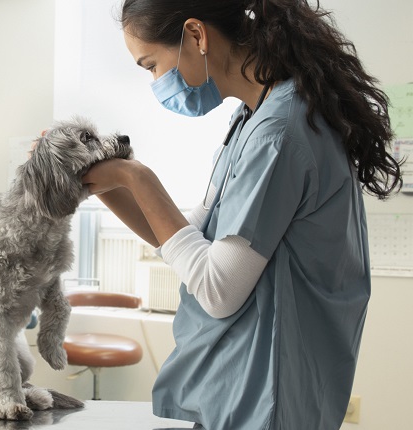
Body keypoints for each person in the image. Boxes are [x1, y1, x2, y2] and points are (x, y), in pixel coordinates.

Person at [81, 1, 403, 429]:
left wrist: (136, 176)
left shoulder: (280, 133)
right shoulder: (251, 118)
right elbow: (184, 236)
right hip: (236, 391)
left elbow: (219, 288)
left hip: (268, 396)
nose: (156, 82)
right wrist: (94, 182)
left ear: (196, 36)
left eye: (151, 65)